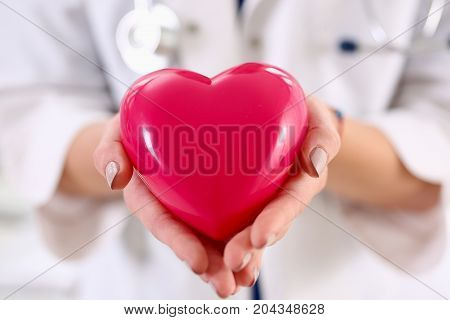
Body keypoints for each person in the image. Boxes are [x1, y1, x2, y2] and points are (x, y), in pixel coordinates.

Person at [0, 0, 449, 299]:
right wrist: (130, 146)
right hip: (143, 288)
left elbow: (440, 127)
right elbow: (35, 111)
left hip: (359, 288)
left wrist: (317, 136)